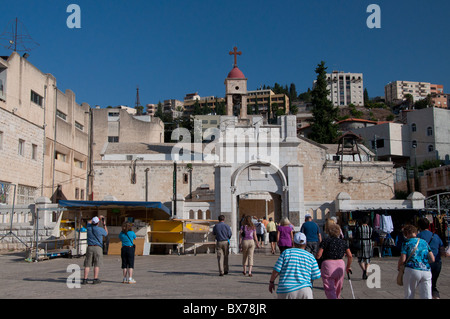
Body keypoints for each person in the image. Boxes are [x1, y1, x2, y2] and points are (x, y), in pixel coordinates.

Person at [269, 232, 321, 299]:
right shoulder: (310, 256)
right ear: (305, 243)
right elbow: (316, 275)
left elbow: (276, 270)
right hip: (304, 289)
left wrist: (271, 282)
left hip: (286, 289)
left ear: (293, 242)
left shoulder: (286, 253)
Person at [316, 224, 353, 299]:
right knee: (338, 286)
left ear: (329, 232)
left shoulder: (325, 241)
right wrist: (348, 267)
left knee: (329, 288)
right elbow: (350, 255)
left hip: (328, 265)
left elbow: (319, 255)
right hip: (340, 265)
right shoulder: (343, 242)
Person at [398, 224, 434, 299]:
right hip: (426, 270)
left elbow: (403, 259)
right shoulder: (424, 242)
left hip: (412, 269)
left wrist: (399, 266)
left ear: (406, 234)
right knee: (427, 295)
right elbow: (432, 259)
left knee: (409, 294)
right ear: (416, 232)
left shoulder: (406, 243)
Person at [417, 217, 444, 299]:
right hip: (437, 263)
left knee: (425, 285)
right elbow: (442, 250)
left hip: (424, 264)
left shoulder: (418, 236)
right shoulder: (435, 236)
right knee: (433, 284)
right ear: (429, 225)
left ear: (419, 226)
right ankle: (436, 297)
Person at [82, 216, 108, 284]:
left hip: (90, 247)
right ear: (98, 223)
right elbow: (106, 233)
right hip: (98, 247)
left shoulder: (89, 227)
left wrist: (96, 217)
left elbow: (89, 222)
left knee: (87, 264)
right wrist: (104, 224)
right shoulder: (100, 229)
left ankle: (85, 279)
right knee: (97, 263)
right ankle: (95, 278)